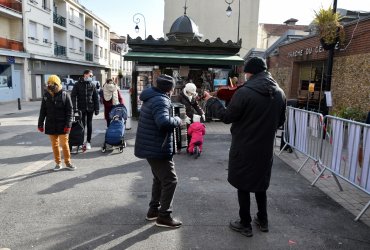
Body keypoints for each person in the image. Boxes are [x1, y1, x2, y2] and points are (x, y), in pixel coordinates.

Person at [204, 57, 286, 237]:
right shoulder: (280, 93)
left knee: (243, 184)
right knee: (260, 184)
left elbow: (226, 117)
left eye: (246, 72)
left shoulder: (245, 92)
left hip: (244, 146)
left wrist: (211, 101)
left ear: (250, 72)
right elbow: (280, 121)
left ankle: (245, 223)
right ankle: (263, 220)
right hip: (265, 149)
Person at [134, 74, 183, 229]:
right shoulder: (160, 100)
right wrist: (178, 120)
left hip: (152, 146)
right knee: (170, 180)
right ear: (169, 88)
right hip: (157, 147)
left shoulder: (152, 97)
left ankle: (153, 211)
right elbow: (163, 122)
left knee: (159, 179)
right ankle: (164, 216)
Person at [38, 75, 76, 171]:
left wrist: (68, 125)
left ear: (56, 84)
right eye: (48, 83)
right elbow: (43, 110)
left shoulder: (64, 94)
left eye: (51, 83)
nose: (49, 85)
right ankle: (58, 163)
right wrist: (40, 124)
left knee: (64, 144)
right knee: (54, 145)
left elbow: (70, 111)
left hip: (63, 125)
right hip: (51, 124)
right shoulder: (46, 95)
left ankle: (68, 162)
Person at [71, 69, 100, 150]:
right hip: (80, 109)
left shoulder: (92, 85)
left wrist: (97, 109)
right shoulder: (77, 84)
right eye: (90, 75)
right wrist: (74, 107)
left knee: (89, 125)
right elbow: (73, 96)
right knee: (81, 126)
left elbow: (95, 98)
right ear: (85, 75)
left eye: (91, 76)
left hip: (90, 108)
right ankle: (81, 142)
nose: (91, 77)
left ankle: (88, 142)